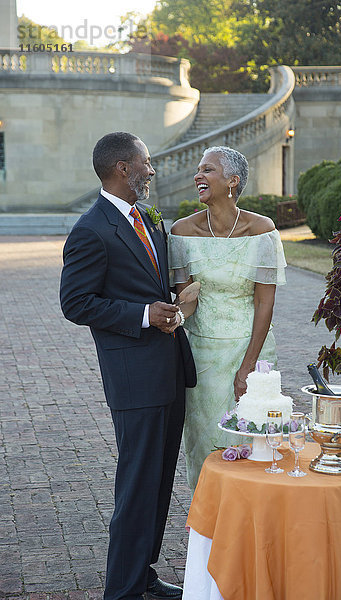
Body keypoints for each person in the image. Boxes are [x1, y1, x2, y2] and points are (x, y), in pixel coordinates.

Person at [60, 132, 196, 600]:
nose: (152, 170)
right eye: (146, 162)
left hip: (170, 368)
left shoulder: (148, 220)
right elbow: (76, 303)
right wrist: (142, 315)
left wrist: (174, 303)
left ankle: (143, 573)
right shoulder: (91, 229)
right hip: (134, 379)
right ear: (122, 167)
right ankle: (121, 590)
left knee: (158, 482)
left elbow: (150, 285)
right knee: (137, 484)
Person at [168, 146, 286, 492]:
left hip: (253, 349)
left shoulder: (262, 230)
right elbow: (187, 302)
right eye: (198, 170)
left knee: (254, 444)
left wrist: (247, 367)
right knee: (205, 444)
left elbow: (265, 304)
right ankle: (209, 533)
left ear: (232, 181)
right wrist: (175, 313)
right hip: (202, 358)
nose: (198, 176)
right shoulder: (181, 232)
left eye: (208, 170)